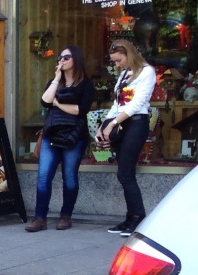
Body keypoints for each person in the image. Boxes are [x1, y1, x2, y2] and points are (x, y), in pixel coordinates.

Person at [26, 45, 92, 232]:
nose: (61, 60)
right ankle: (40, 218)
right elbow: (45, 101)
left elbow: (80, 110)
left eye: (66, 57)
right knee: (43, 176)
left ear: (76, 59)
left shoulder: (85, 84)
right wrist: (56, 79)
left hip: (74, 136)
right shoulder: (54, 82)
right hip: (51, 134)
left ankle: (66, 215)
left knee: (70, 177)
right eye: (59, 57)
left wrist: (57, 103)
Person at [97, 39, 157, 236]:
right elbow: (117, 103)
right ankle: (131, 217)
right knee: (125, 174)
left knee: (125, 173)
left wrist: (113, 123)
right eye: (114, 61)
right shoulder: (124, 74)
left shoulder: (146, 71)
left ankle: (138, 217)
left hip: (136, 123)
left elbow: (138, 103)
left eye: (118, 60)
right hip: (121, 122)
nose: (117, 65)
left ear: (129, 54)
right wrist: (104, 124)